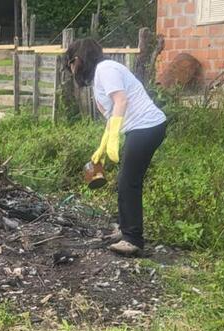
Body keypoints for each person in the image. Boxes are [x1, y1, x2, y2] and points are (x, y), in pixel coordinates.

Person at [67, 38, 167, 256]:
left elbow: (121, 101)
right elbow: (113, 114)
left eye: (70, 65)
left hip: (146, 126)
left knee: (128, 182)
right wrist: (103, 146)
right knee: (126, 180)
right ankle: (126, 230)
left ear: (77, 60)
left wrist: (114, 137)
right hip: (140, 128)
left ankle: (133, 240)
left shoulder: (106, 69)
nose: (72, 70)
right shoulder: (102, 73)